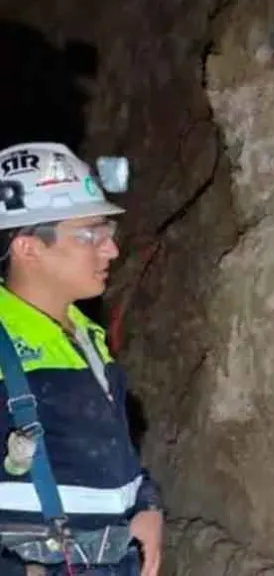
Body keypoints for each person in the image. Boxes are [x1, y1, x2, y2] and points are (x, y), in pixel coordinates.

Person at [0, 142, 162, 575]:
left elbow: (109, 455)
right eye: (90, 235)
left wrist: (145, 506)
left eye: (107, 232)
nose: (110, 250)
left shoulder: (84, 335)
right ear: (28, 247)